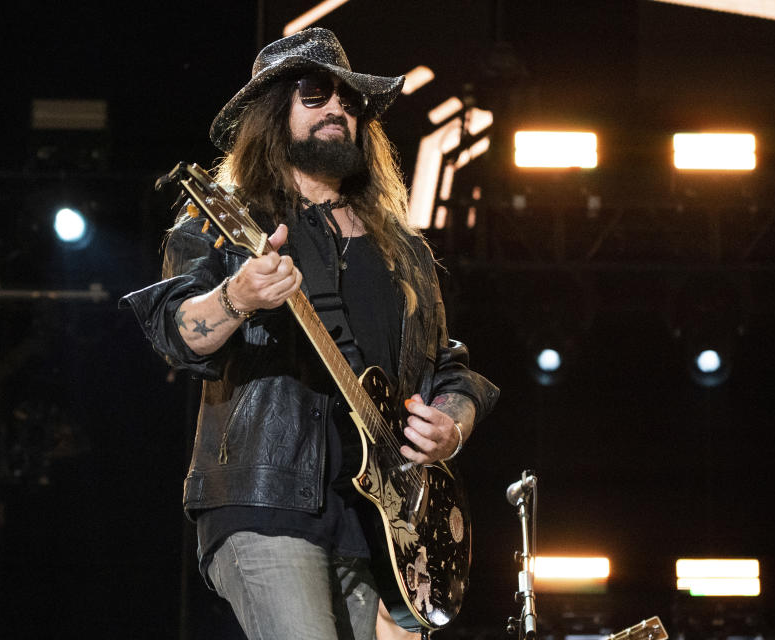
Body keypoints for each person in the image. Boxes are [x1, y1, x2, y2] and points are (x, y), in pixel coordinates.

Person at [122, 27, 498, 640]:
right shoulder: (224, 222)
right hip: (266, 499)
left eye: (350, 102)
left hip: (378, 520)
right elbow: (177, 331)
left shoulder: (403, 251)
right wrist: (236, 298)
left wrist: (451, 424)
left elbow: (449, 369)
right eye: (315, 94)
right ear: (274, 113)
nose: (337, 110)